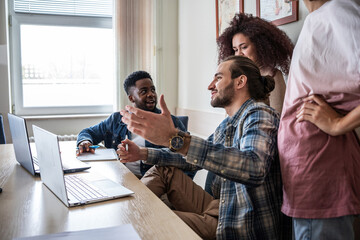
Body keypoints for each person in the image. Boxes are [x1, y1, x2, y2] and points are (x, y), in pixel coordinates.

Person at [119, 55, 291, 239]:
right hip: (219, 206)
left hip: (237, 224)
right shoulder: (227, 125)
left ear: (240, 81)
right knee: (164, 171)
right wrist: (143, 153)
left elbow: (254, 167)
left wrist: (176, 139)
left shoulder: (259, 114)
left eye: (218, 78)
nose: (210, 85)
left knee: (156, 220)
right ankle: (125, 210)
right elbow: (191, 160)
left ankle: (130, 218)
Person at [278, 0, 360, 239]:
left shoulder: (339, 11)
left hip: (319, 167)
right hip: (307, 171)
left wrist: (338, 124)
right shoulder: (319, 18)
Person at [76, 70, 188, 178]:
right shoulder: (117, 119)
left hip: (157, 183)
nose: (151, 94)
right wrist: (85, 141)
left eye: (153, 90)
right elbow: (88, 132)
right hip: (121, 177)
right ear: (131, 98)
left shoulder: (170, 122)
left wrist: (145, 154)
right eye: (144, 91)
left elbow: (186, 158)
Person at [217, 13, 294, 114]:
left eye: (244, 47)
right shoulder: (236, 77)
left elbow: (280, 118)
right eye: (235, 49)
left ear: (259, 46)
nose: (239, 54)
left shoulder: (272, 75)